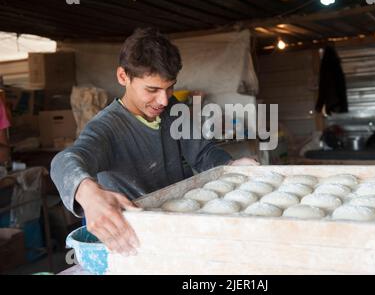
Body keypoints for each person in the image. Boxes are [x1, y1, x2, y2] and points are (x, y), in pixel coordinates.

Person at [50, 28, 258, 255]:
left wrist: (230, 166)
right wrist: (88, 193)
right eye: (152, 89)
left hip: (182, 228)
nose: (163, 99)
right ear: (123, 77)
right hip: (138, 242)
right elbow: (66, 161)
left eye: (170, 88)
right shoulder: (107, 128)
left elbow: (203, 153)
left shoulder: (174, 111)